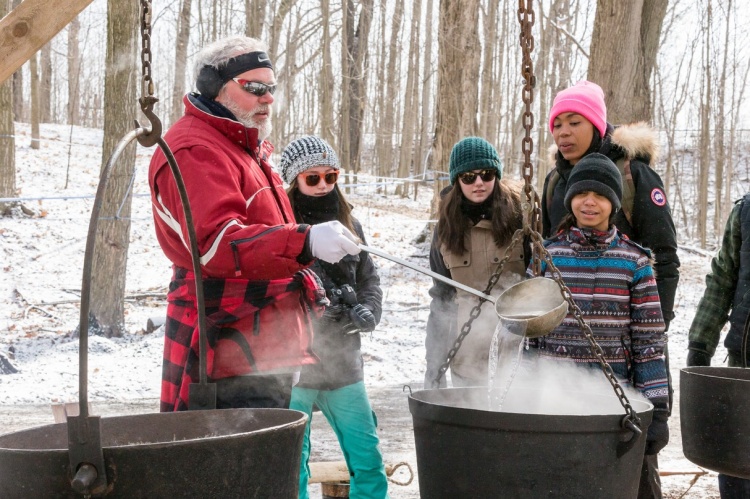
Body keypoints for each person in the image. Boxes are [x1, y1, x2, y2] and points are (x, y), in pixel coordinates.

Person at [148, 36, 361, 412]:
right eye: (255, 88)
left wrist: (288, 347)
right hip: (224, 347)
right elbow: (217, 245)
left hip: (259, 346)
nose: (268, 98)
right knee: (231, 466)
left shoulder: (243, 147)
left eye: (271, 88)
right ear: (215, 88)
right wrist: (306, 242)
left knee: (267, 464)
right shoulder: (196, 150)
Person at [530, 153, 670, 499]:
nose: (589, 203)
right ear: (570, 200)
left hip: (613, 408)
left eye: (600, 195)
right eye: (581, 194)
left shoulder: (635, 263)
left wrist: (658, 410)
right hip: (553, 402)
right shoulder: (547, 257)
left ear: (615, 202)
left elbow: (649, 342)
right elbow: (527, 336)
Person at [279, 136, 390, 499]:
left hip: (344, 367)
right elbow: (279, 287)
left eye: (331, 175)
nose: (324, 185)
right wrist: (324, 314)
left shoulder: (349, 223)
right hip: (296, 369)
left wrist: (368, 311)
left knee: (367, 460)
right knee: (292, 464)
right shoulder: (281, 227)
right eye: (312, 178)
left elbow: (369, 277)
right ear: (294, 181)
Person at [543, 80, 680, 332]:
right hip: (566, 330)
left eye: (574, 122)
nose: (563, 132)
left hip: (626, 326)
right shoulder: (554, 181)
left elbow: (664, 256)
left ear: (596, 126)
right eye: (557, 124)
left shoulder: (634, 175)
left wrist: (655, 327)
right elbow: (545, 250)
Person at [424, 137, 527, 389]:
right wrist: (434, 369)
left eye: (487, 174)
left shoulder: (521, 218)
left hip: (520, 359)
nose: (479, 183)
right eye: (469, 177)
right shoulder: (445, 231)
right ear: (457, 181)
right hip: (468, 359)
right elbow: (441, 301)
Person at [687, 192, 750, 498]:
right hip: (743, 368)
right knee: (737, 468)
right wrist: (700, 343)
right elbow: (722, 280)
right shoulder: (745, 212)